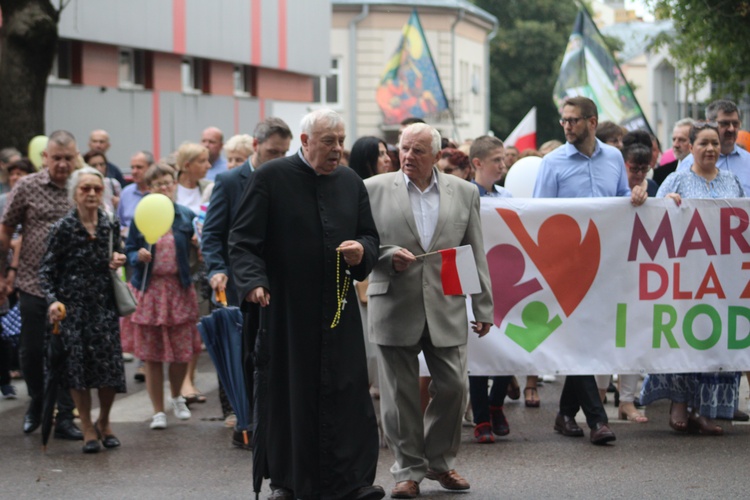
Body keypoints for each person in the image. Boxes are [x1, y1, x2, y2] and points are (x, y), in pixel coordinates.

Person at [229, 109, 384, 500]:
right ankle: (288, 481)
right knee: (290, 394)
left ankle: (351, 481)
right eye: (329, 141)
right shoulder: (270, 178)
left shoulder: (350, 181)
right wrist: (253, 281)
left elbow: (370, 236)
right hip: (286, 310)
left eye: (341, 140)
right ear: (304, 141)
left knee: (347, 390)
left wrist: (360, 251)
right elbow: (243, 241)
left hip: (337, 307)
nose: (338, 149)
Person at [365, 122, 493, 498]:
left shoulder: (465, 193)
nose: (407, 156)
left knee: (455, 386)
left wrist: (482, 305)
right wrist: (387, 257)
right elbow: (363, 243)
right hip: (393, 302)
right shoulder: (371, 190)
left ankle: (440, 463)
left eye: (418, 150)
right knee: (399, 395)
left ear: (437, 156)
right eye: (403, 148)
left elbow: (474, 251)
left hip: (447, 303)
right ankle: (407, 471)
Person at [533, 96, 647, 445]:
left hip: (605, 265)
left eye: (573, 120)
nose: (567, 126)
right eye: (563, 120)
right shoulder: (551, 163)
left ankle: (566, 414)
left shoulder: (614, 158)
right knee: (579, 340)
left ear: (592, 122)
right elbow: (538, 216)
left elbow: (617, 205)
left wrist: (637, 195)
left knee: (590, 339)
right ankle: (597, 420)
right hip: (567, 268)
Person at [640, 122, 744, 435]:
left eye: (715, 143)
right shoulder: (677, 179)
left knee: (715, 340)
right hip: (685, 277)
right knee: (685, 337)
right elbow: (652, 223)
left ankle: (707, 410)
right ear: (692, 147)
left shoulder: (733, 181)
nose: (711, 149)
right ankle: (679, 404)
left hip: (723, 279)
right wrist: (666, 204)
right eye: (704, 143)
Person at [202, 116, 292, 446]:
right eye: (272, 152)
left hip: (279, 284)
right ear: (255, 146)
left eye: (284, 152)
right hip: (240, 284)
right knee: (247, 356)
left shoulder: (289, 178)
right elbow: (213, 234)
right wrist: (216, 269)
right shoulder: (229, 182)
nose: (279, 159)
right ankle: (248, 423)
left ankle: (277, 423)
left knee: (277, 356)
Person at [0, 130, 83, 440]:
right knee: (32, 351)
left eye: (67, 158)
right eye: (56, 158)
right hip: (33, 282)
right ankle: (37, 400)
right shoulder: (26, 186)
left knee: (65, 351)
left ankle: (64, 416)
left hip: (71, 284)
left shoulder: (81, 185)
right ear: (44, 158)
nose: (62, 164)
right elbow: (6, 230)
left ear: (76, 157)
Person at [39, 167, 127, 453]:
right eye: (85, 188)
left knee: (109, 369)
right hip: (73, 309)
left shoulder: (109, 223)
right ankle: (87, 426)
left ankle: (105, 422)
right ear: (74, 193)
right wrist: (52, 300)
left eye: (96, 189)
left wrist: (118, 259)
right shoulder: (62, 227)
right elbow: (46, 270)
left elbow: (118, 254)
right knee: (78, 371)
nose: (91, 193)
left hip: (103, 306)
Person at [121, 164, 201, 430]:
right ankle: (158, 411)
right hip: (150, 290)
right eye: (158, 185)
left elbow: (198, 250)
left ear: (174, 184)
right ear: (150, 189)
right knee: (153, 355)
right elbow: (129, 249)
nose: (164, 188)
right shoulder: (141, 216)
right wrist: (137, 256)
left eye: (168, 183)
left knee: (180, 352)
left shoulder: (185, 215)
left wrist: (197, 246)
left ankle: (177, 397)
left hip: (178, 289)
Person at [466, 135, 513, 443]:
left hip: (507, 279)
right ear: (477, 163)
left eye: (504, 158)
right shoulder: (464, 194)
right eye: (497, 160)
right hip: (475, 280)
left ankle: (497, 403)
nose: (503, 164)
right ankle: (482, 417)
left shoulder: (508, 197)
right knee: (480, 348)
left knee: (511, 345)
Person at [676, 99, 750, 193]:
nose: (731, 129)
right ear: (709, 124)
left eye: (735, 124)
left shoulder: (748, 162)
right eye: (724, 124)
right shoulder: (689, 164)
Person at [117, 151, 153, 234]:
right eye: (132, 168)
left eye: (139, 167)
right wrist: (123, 230)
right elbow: (119, 222)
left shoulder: (158, 192)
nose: (134, 172)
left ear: (151, 167)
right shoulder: (126, 192)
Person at [653, 118, 695, 186]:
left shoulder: (705, 173)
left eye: (681, 140)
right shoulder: (661, 173)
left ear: (694, 142)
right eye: (674, 139)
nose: (675, 145)